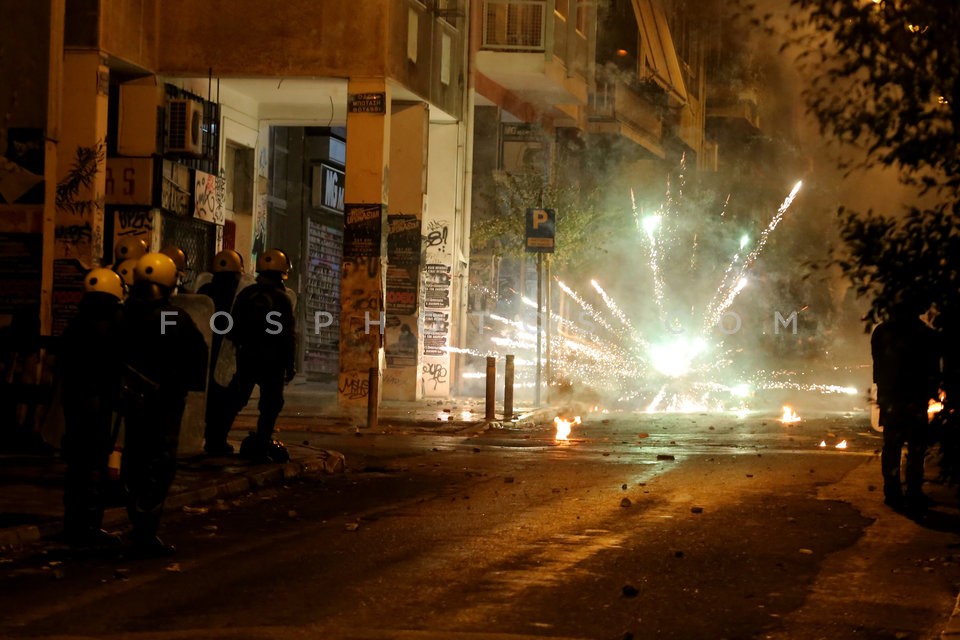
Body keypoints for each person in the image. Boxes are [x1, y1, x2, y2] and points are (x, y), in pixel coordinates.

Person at [120, 252, 207, 556]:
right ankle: (145, 528)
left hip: (130, 400)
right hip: (164, 402)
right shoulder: (171, 318)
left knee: (134, 457)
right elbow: (195, 355)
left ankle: (137, 520)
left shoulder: (124, 314)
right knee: (160, 462)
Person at [59, 268, 126, 546]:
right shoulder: (113, 325)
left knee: (77, 465)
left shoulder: (76, 324)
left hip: (75, 401)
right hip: (98, 403)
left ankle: (74, 524)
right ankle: (88, 528)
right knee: (94, 465)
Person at [210, 248, 296, 463]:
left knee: (234, 400)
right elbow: (287, 336)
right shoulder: (282, 299)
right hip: (272, 362)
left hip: (247, 357)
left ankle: (216, 441)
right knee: (271, 404)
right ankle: (261, 445)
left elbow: (233, 329)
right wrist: (289, 365)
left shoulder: (246, 294)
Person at [871, 296, 941, 513]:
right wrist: (932, 394)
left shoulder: (882, 332)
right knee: (916, 448)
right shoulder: (925, 334)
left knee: (892, 446)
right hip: (914, 398)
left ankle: (892, 493)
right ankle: (913, 492)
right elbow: (932, 370)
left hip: (892, 398)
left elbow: (878, 367)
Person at [197, 249, 246, 456]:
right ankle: (217, 440)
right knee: (228, 399)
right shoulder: (240, 293)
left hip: (204, 352)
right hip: (230, 354)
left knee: (207, 399)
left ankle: (210, 437)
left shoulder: (205, 290)